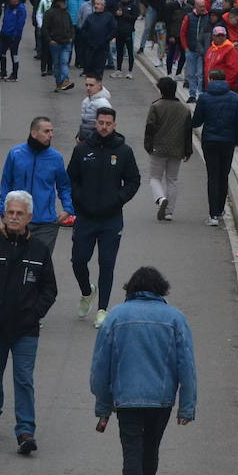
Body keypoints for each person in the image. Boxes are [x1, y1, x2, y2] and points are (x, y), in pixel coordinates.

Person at [90, 267, 197, 475]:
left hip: (126, 399)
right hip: (161, 400)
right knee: (151, 448)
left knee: (131, 452)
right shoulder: (175, 318)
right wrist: (187, 405)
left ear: (130, 289)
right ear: (161, 289)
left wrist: (103, 404)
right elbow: (187, 365)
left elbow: (101, 365)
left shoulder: (115, 316)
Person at [0, 190, 58, 454]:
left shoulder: (38, 250)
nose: (14, 217)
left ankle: (25, 430)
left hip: (26, 329)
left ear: (29, 217)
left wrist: (34, 313)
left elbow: (49, 288)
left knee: (24, 378)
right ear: (4, 215)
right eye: (10, 213)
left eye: (19, 214)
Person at [67, 106, 140, 329]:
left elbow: (133, 181)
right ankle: (87, 292)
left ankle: (102, 309)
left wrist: (117, 200)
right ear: (95, 123)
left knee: (106, 264)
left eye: (109, 123)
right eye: (101, 123)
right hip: (86, 217)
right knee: (78, 260)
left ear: (114, 125)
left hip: (111, 219)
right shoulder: (82, 150)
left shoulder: (124, 151)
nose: (104, 127)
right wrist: (80, 201)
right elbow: (71, 179)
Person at [0, 117, 74, 256]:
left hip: (46, 224)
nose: (51, 135)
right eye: (46, 131)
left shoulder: (56, 158)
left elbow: (64, 186)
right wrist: (3, 210)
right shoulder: (15, 154)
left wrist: (68, 208)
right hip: (18, 221)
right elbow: (6, 185)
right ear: (34, 133)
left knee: (39, 265)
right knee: (16, 263)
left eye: (51, 131)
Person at [190, 67, 238, 227]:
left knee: (213, 176)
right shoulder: (235, 98)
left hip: (210, 141)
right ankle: (220, 209)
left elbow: (197, 121)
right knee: (224, 175)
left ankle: (213, 214)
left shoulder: (205, 98)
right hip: (228, 141)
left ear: (211, 79)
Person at [143, 75, 192, 220]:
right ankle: (169, 212)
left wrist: (148, 146)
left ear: (161, 91)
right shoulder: (184, 110)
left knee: (154, 178)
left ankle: (160, 199)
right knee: (172, 180)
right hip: (177, 149)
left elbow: (150, 128)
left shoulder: (156, 106)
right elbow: (187, 132)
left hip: (158, 148)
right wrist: (187, 151)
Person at [42, 0, 76, 91]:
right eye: (62, 2)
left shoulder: (66, 13)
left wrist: (71, 38)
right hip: (55, 43)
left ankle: (65, 80)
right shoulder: (49, 13)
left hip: (66, 42)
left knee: (64, 62)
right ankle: (59, 82)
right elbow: (45, 28)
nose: (64, 4)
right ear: (57, 2)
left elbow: (71, 26)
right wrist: (50, 40)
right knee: (57, 64)